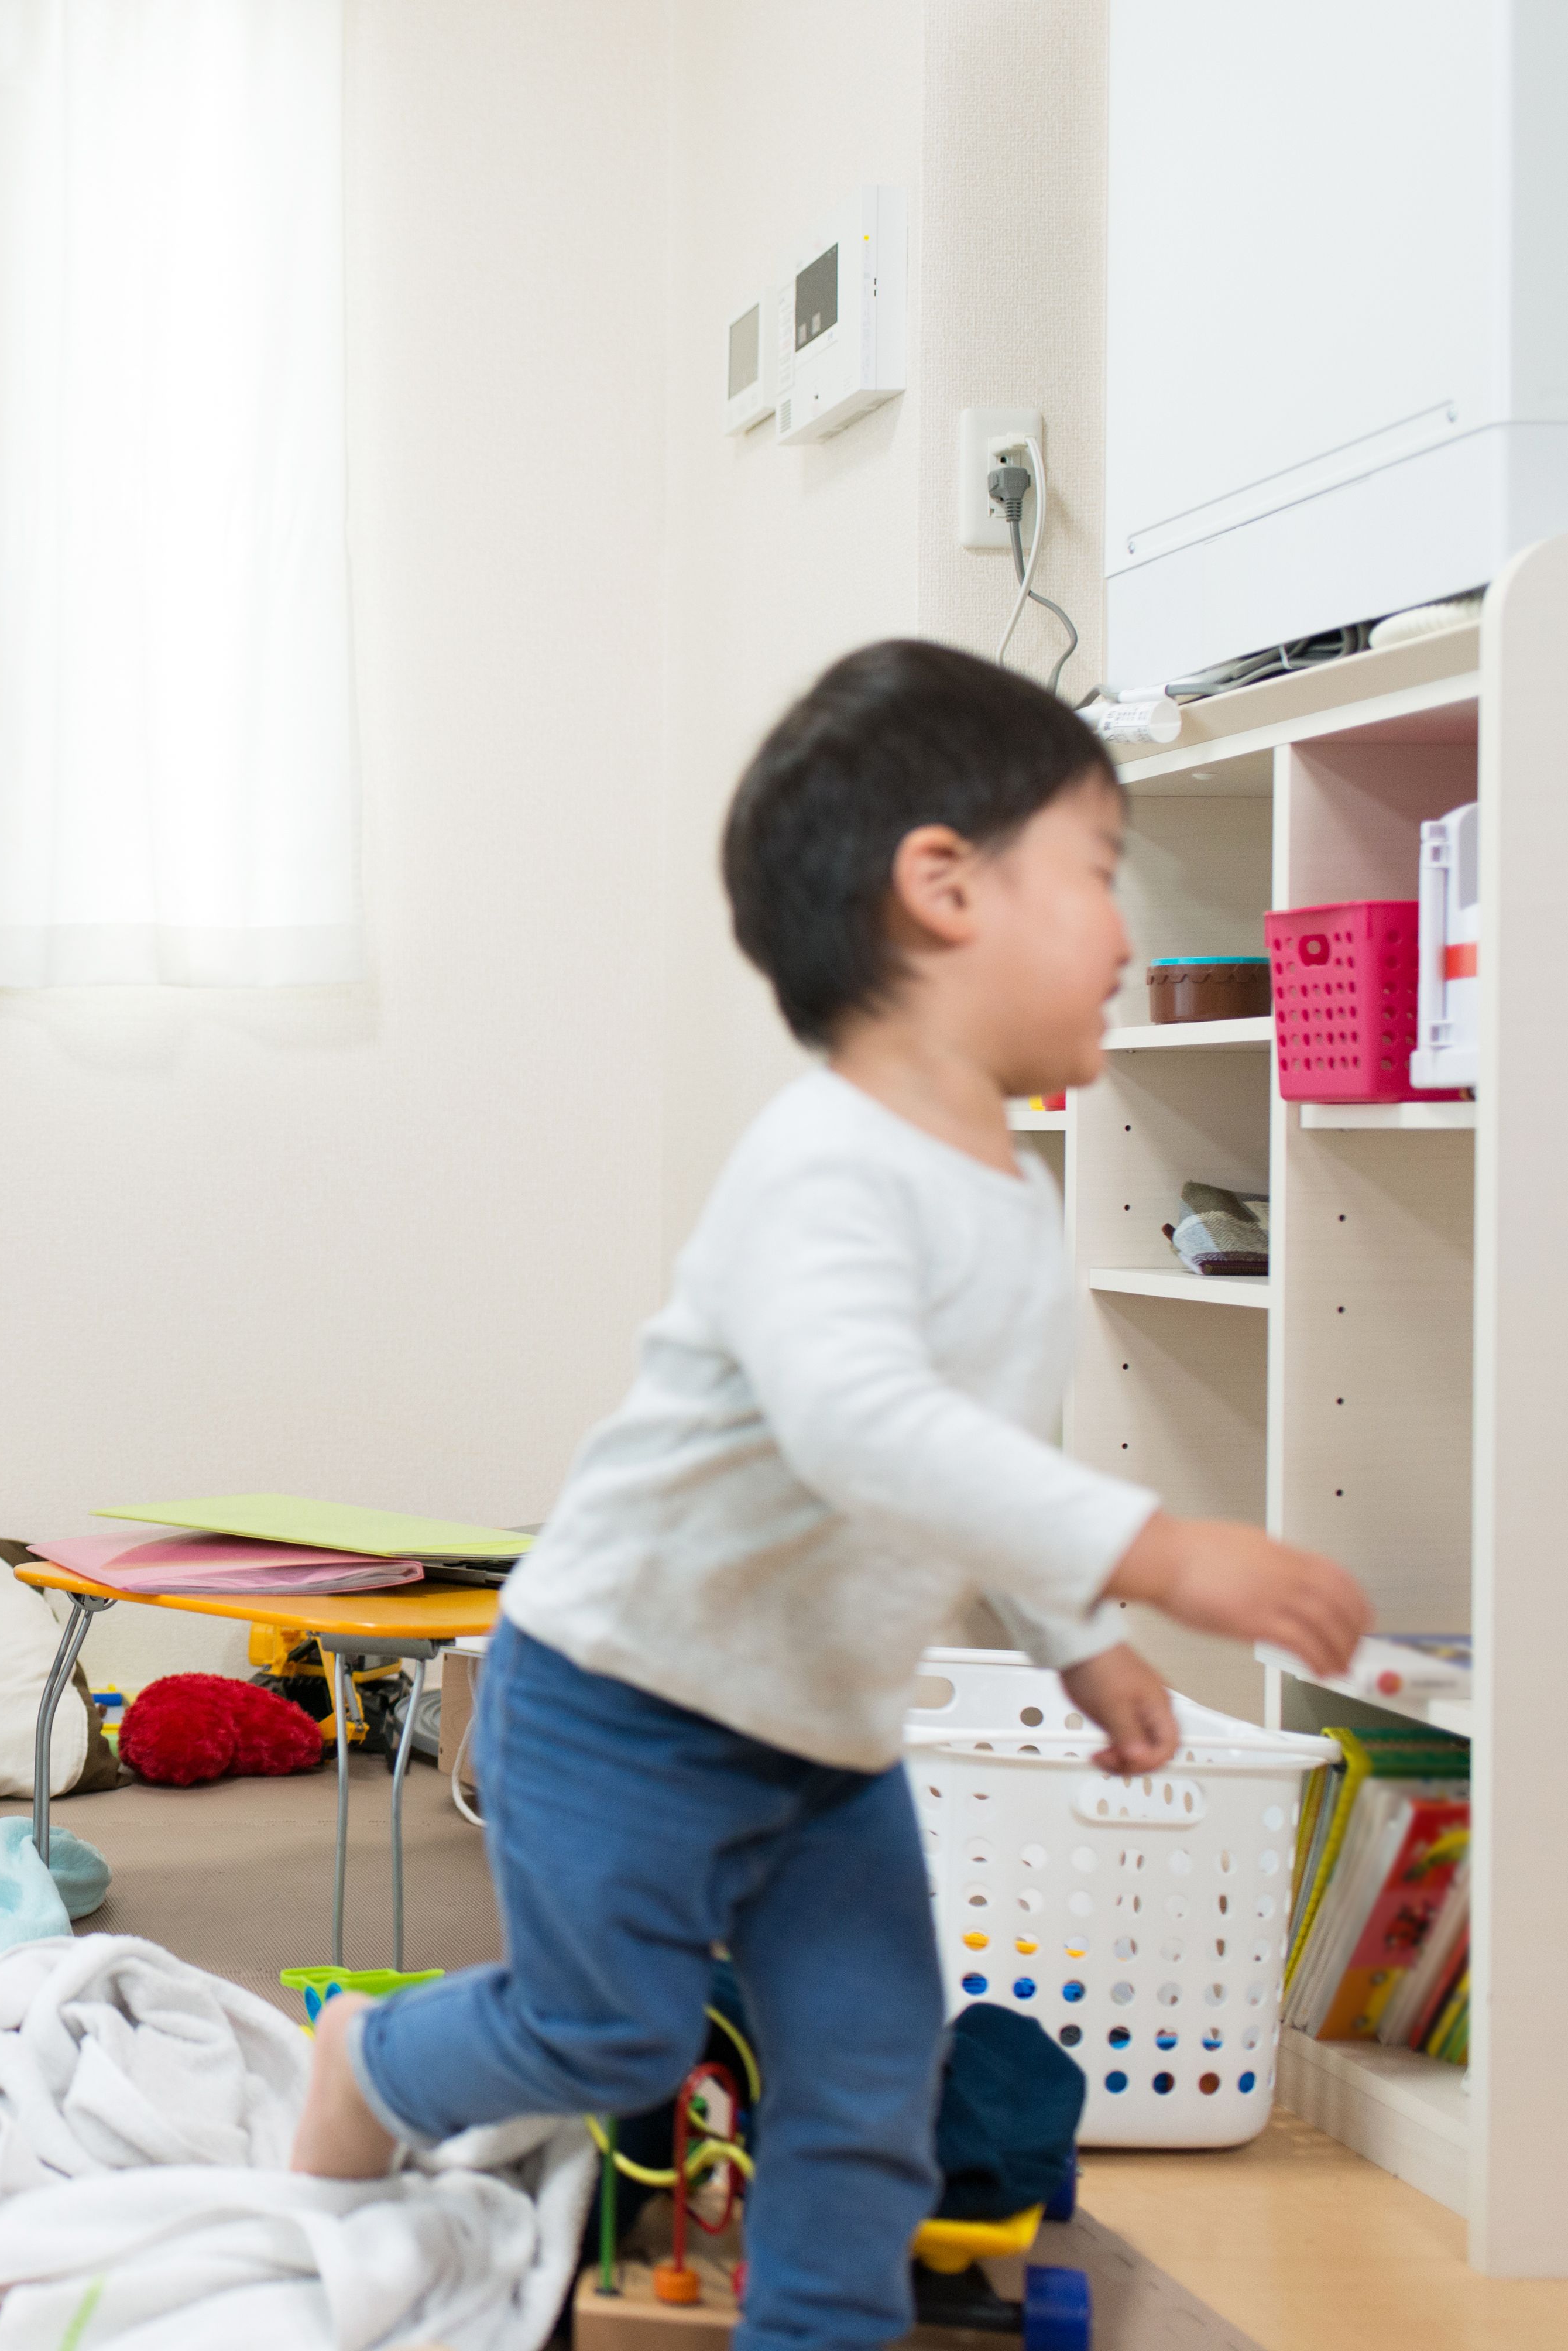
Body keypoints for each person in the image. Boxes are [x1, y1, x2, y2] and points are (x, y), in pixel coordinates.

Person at [288, 642, 1372, 2348]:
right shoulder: (824, 1167)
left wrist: (1080, 1639)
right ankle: (375, 2060)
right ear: (944, 887)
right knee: (615, 2037)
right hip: (626, 1703)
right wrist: (1160, 1552)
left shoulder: (1012, 1199)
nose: (1126, 936)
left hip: (828, 1750)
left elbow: (976, 1467)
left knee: (871, 2090)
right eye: (1097, 875)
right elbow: (865, 1426)